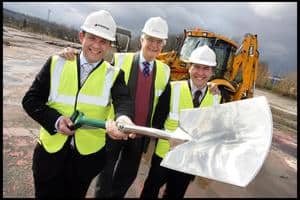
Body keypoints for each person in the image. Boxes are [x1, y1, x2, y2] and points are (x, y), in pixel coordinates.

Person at [22, 10, 134, 198]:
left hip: (85, 161)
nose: (97, 46)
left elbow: (123, 100)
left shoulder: (114, 74)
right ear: (81, 36)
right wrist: (56, 121)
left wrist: (123, 119)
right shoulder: (56, 63)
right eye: (92, 38)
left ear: (109, 45)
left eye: (103, 41)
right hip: (49, 155)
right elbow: (30, 100)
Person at [58, 16, 171, 198]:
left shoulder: (165, 71)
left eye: (159, 42)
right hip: (113, 130)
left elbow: (165, 104)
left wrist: (211, 87)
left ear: (163, 45)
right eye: (150, 39)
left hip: (139, 134)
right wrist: (69, 55)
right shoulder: (118, 59)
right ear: (142, 39)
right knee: (105, 177)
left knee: (126, 177)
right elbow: (92, 62)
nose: (154, 45)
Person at [140, 45, 223, 198]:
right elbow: (157, 121)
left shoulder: (217, 97)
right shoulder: (173, 88)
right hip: (164, 156)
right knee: (150, 191)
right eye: (197, 67)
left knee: (175, 195)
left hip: (188, 162)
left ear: (212, 72)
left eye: (206, 68)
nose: (200, 73)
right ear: (189, 68)